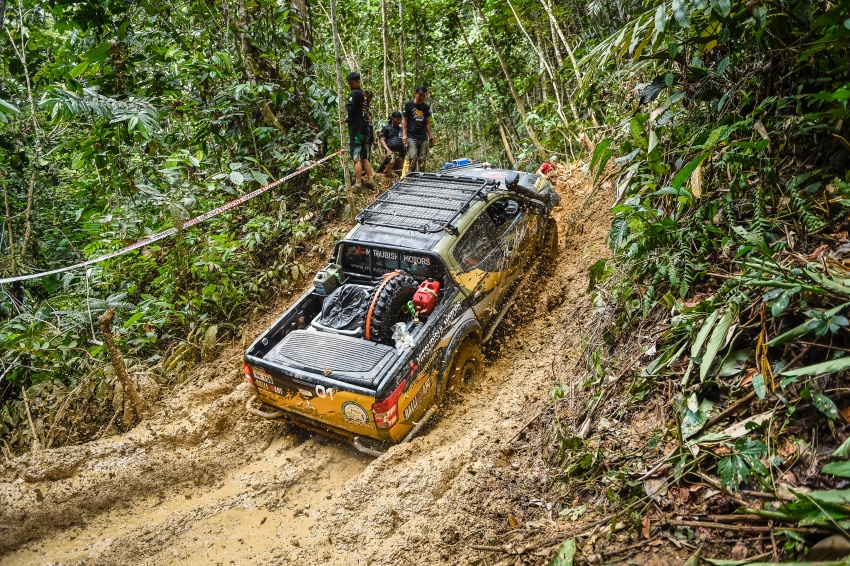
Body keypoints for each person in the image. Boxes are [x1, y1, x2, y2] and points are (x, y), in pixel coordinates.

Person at [345, 72, 375, 189]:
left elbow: (351, 111)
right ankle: (370, 180)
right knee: (364, 156)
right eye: (349, 84)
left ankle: (358, 183)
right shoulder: (365, 95)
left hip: (356, 131)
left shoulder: (355, 94)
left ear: (358, 82)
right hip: (365, 130)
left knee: (356, 156)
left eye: (352, 83)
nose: (350, 86)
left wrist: (348, 104)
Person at [402, 85, 435, 172]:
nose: (422, 97)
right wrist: (404, 134)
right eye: (420, 95)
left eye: (424, 96)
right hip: (411, 136)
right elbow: (404, 120)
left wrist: (430, 136)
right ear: (415, 93)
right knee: (412, 157)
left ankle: (421, 177)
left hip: (423, 136)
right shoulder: (409, 105)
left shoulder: (426, 107)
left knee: (422, 159)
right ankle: (411, 177)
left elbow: (427, 122)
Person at [377, 111, 404, 175]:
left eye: (400, 120)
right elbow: (382, 139)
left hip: (401, 154)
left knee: (399, 172)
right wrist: (388, 150)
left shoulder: (401, 129)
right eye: (397, 119)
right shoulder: (386, 128)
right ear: (392, 119)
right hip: (391, 153)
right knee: (389, 168)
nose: (399, 121)